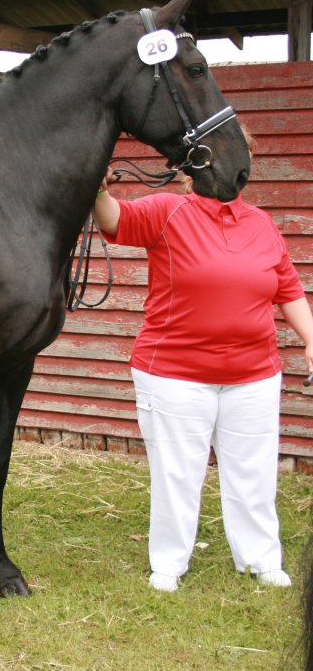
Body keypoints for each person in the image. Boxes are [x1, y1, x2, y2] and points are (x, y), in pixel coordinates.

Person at [94, 130, 313, 592]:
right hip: (174, 374)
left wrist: (311, 339)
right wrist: (97, 188)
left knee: (254, 472)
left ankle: (260, 559)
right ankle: (169, 564)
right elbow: (114, 219)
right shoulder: (167, 211)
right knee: (177, 472)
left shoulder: (261, 223)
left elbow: (288, 289)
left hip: (254, 375)